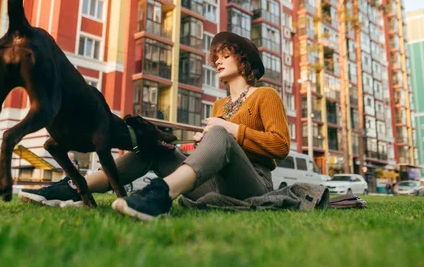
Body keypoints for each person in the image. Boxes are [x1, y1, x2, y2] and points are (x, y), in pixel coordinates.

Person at [19, 32, 290, 220]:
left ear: (244, 61)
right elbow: (218, 144)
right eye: (215, 57)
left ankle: (161, 196)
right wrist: (203, 145)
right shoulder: (219, 106)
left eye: (225, 55)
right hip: (213, 185)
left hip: (253, 183)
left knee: (219, 131)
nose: (217, 60)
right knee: (153, 148)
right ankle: (76, 188)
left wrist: (228, 131)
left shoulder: (265, 95)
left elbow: (280, 146)